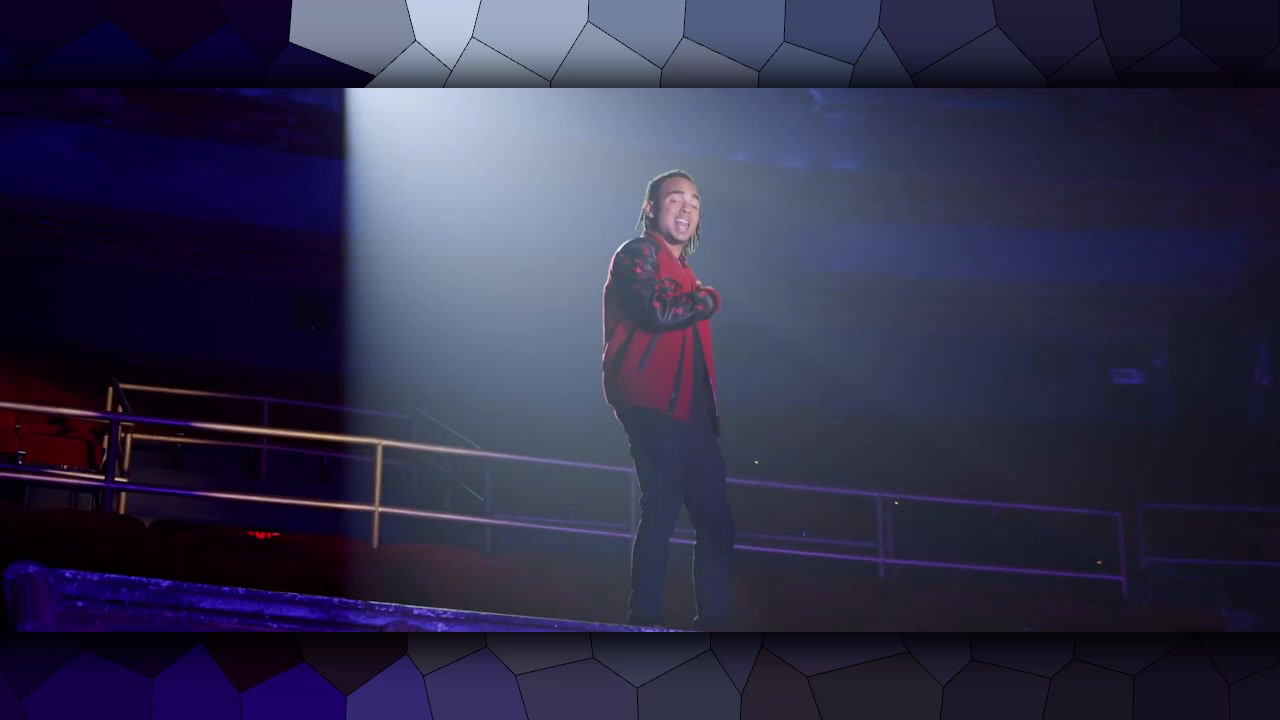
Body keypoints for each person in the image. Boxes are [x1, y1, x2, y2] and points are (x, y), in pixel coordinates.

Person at [601, 170, 736, 630]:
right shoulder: (638, 253)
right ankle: (644, 622)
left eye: (694, 203)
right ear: (650, 208)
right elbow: (655, 310)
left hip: (691, 414)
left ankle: (713, 624)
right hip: (653, 405)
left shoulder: (686, 273)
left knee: (716, 523)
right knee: (661, 509)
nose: (687, 209)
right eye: (676, 199)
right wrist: (707, 301)